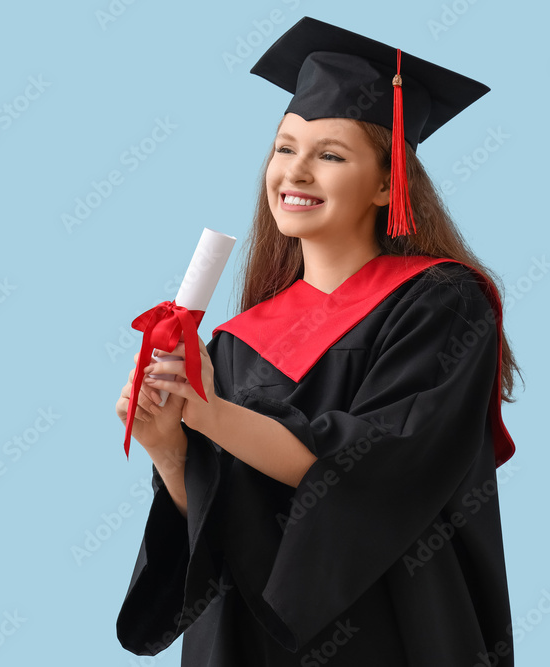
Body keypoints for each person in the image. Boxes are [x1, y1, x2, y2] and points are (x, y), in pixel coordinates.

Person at [113, 16, 521, 667]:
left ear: (388, 184)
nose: (295, 172)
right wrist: (170, 452)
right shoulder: (235, 343)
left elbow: (379, 462)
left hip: (392, 630)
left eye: (330, 154)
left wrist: (213, 415)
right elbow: (220, 524)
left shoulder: (443, 303)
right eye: (284, 148)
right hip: (248, 643)